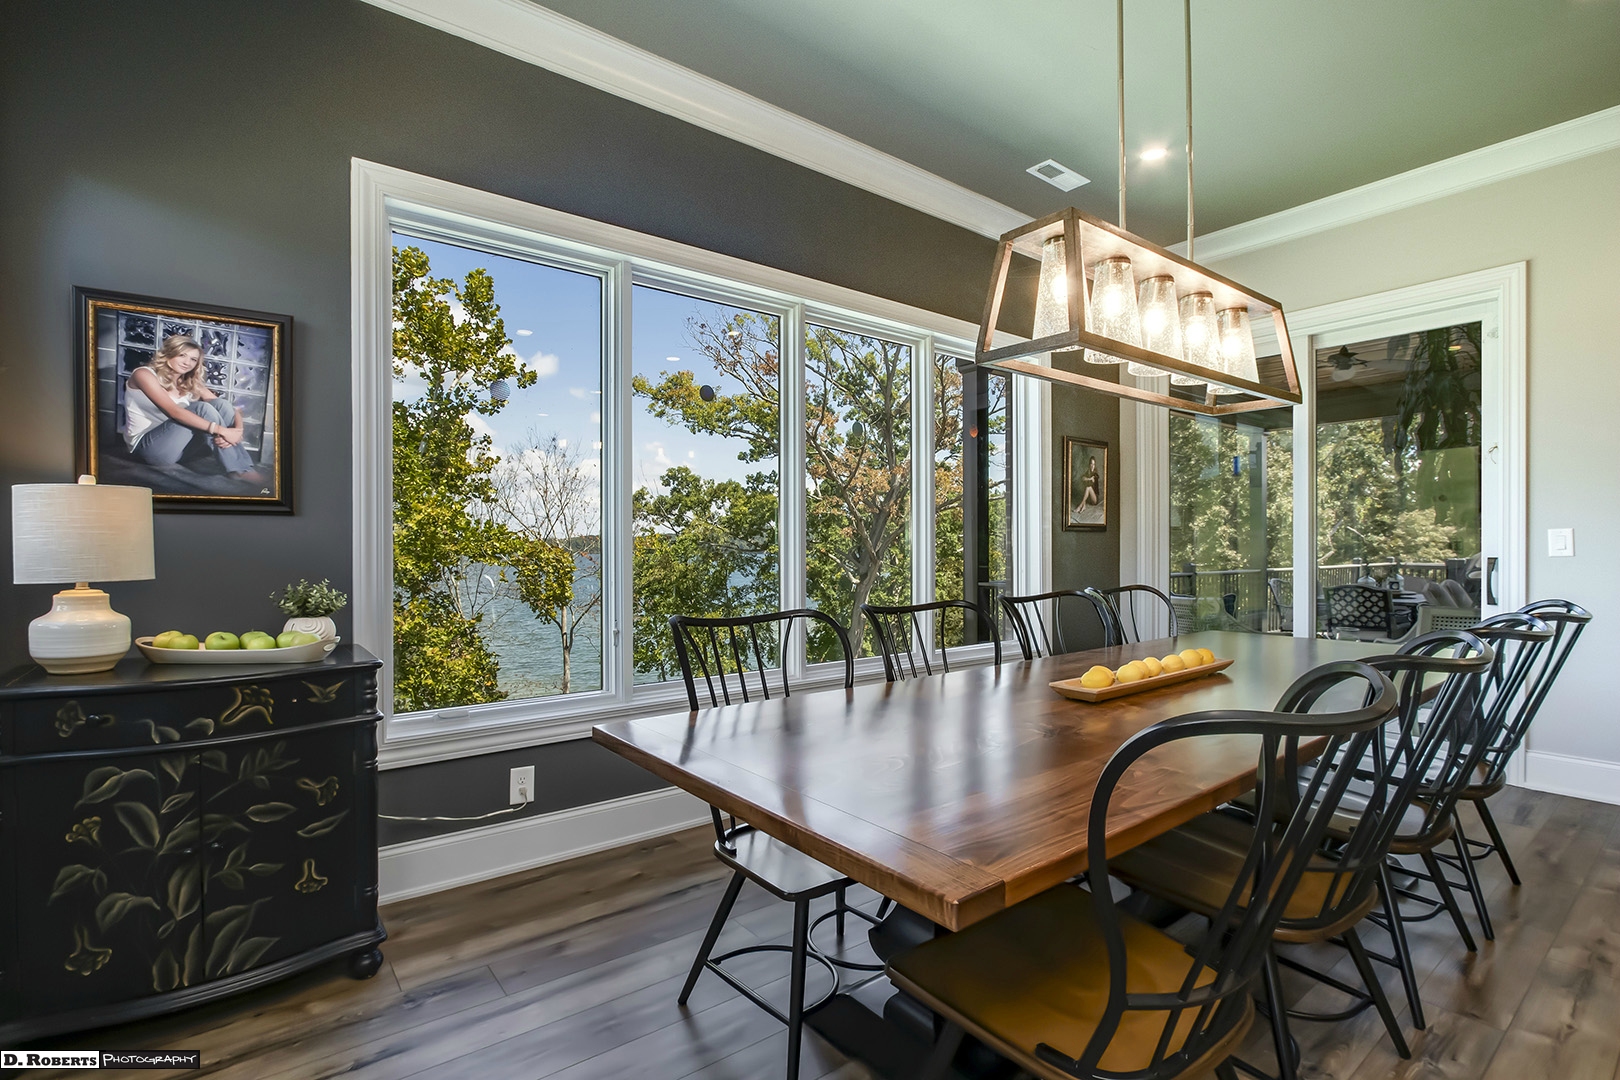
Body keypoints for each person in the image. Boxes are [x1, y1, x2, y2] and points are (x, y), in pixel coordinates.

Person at [123, 334, 264, 484]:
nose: (187, 362)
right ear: (169, 353)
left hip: (181, 450)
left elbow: (229, 408)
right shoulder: (143, 374)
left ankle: (240, 467)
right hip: (149, 450)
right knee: (201, 408)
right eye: (182, 355)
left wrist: (237, 431)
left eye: (193, 359)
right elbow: (174, 412)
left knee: (221, 404)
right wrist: (223, 431)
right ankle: (240, 470)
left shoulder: (188, 381)